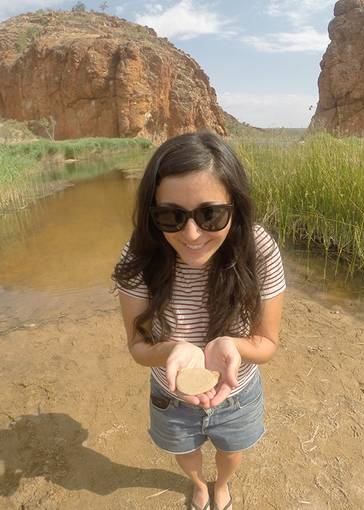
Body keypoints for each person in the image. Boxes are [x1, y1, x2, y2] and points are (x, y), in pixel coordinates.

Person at [112, 131, 285, 510]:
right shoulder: (139, 254)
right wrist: (173, 349)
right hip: (169, 395)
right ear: (152, 212)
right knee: (185, 450)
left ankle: (221, 485)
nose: (191, 234)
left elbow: (266, 343)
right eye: (170, 216)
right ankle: (199, 486)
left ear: (235, 207)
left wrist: (232, 346)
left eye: (210, 214)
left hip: (237, 393)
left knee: (231, 450)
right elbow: (138, 347)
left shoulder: (259, 251)